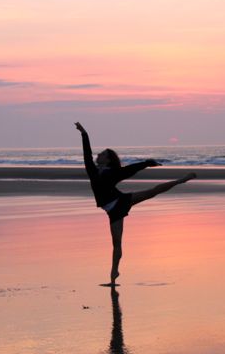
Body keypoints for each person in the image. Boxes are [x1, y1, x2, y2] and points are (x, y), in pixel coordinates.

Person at [75, 122, 196, 286]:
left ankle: (181, 180)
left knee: (152, 191)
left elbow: (130, 169)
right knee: (116, 243)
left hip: (120, 201)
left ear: (108, 159)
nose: (98, 155)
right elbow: (87, 153)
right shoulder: (92, 170)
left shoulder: (113, 172)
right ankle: (114, 275)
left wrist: (146, 163)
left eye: (102, 154)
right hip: (112, 211)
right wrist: (84, 133)